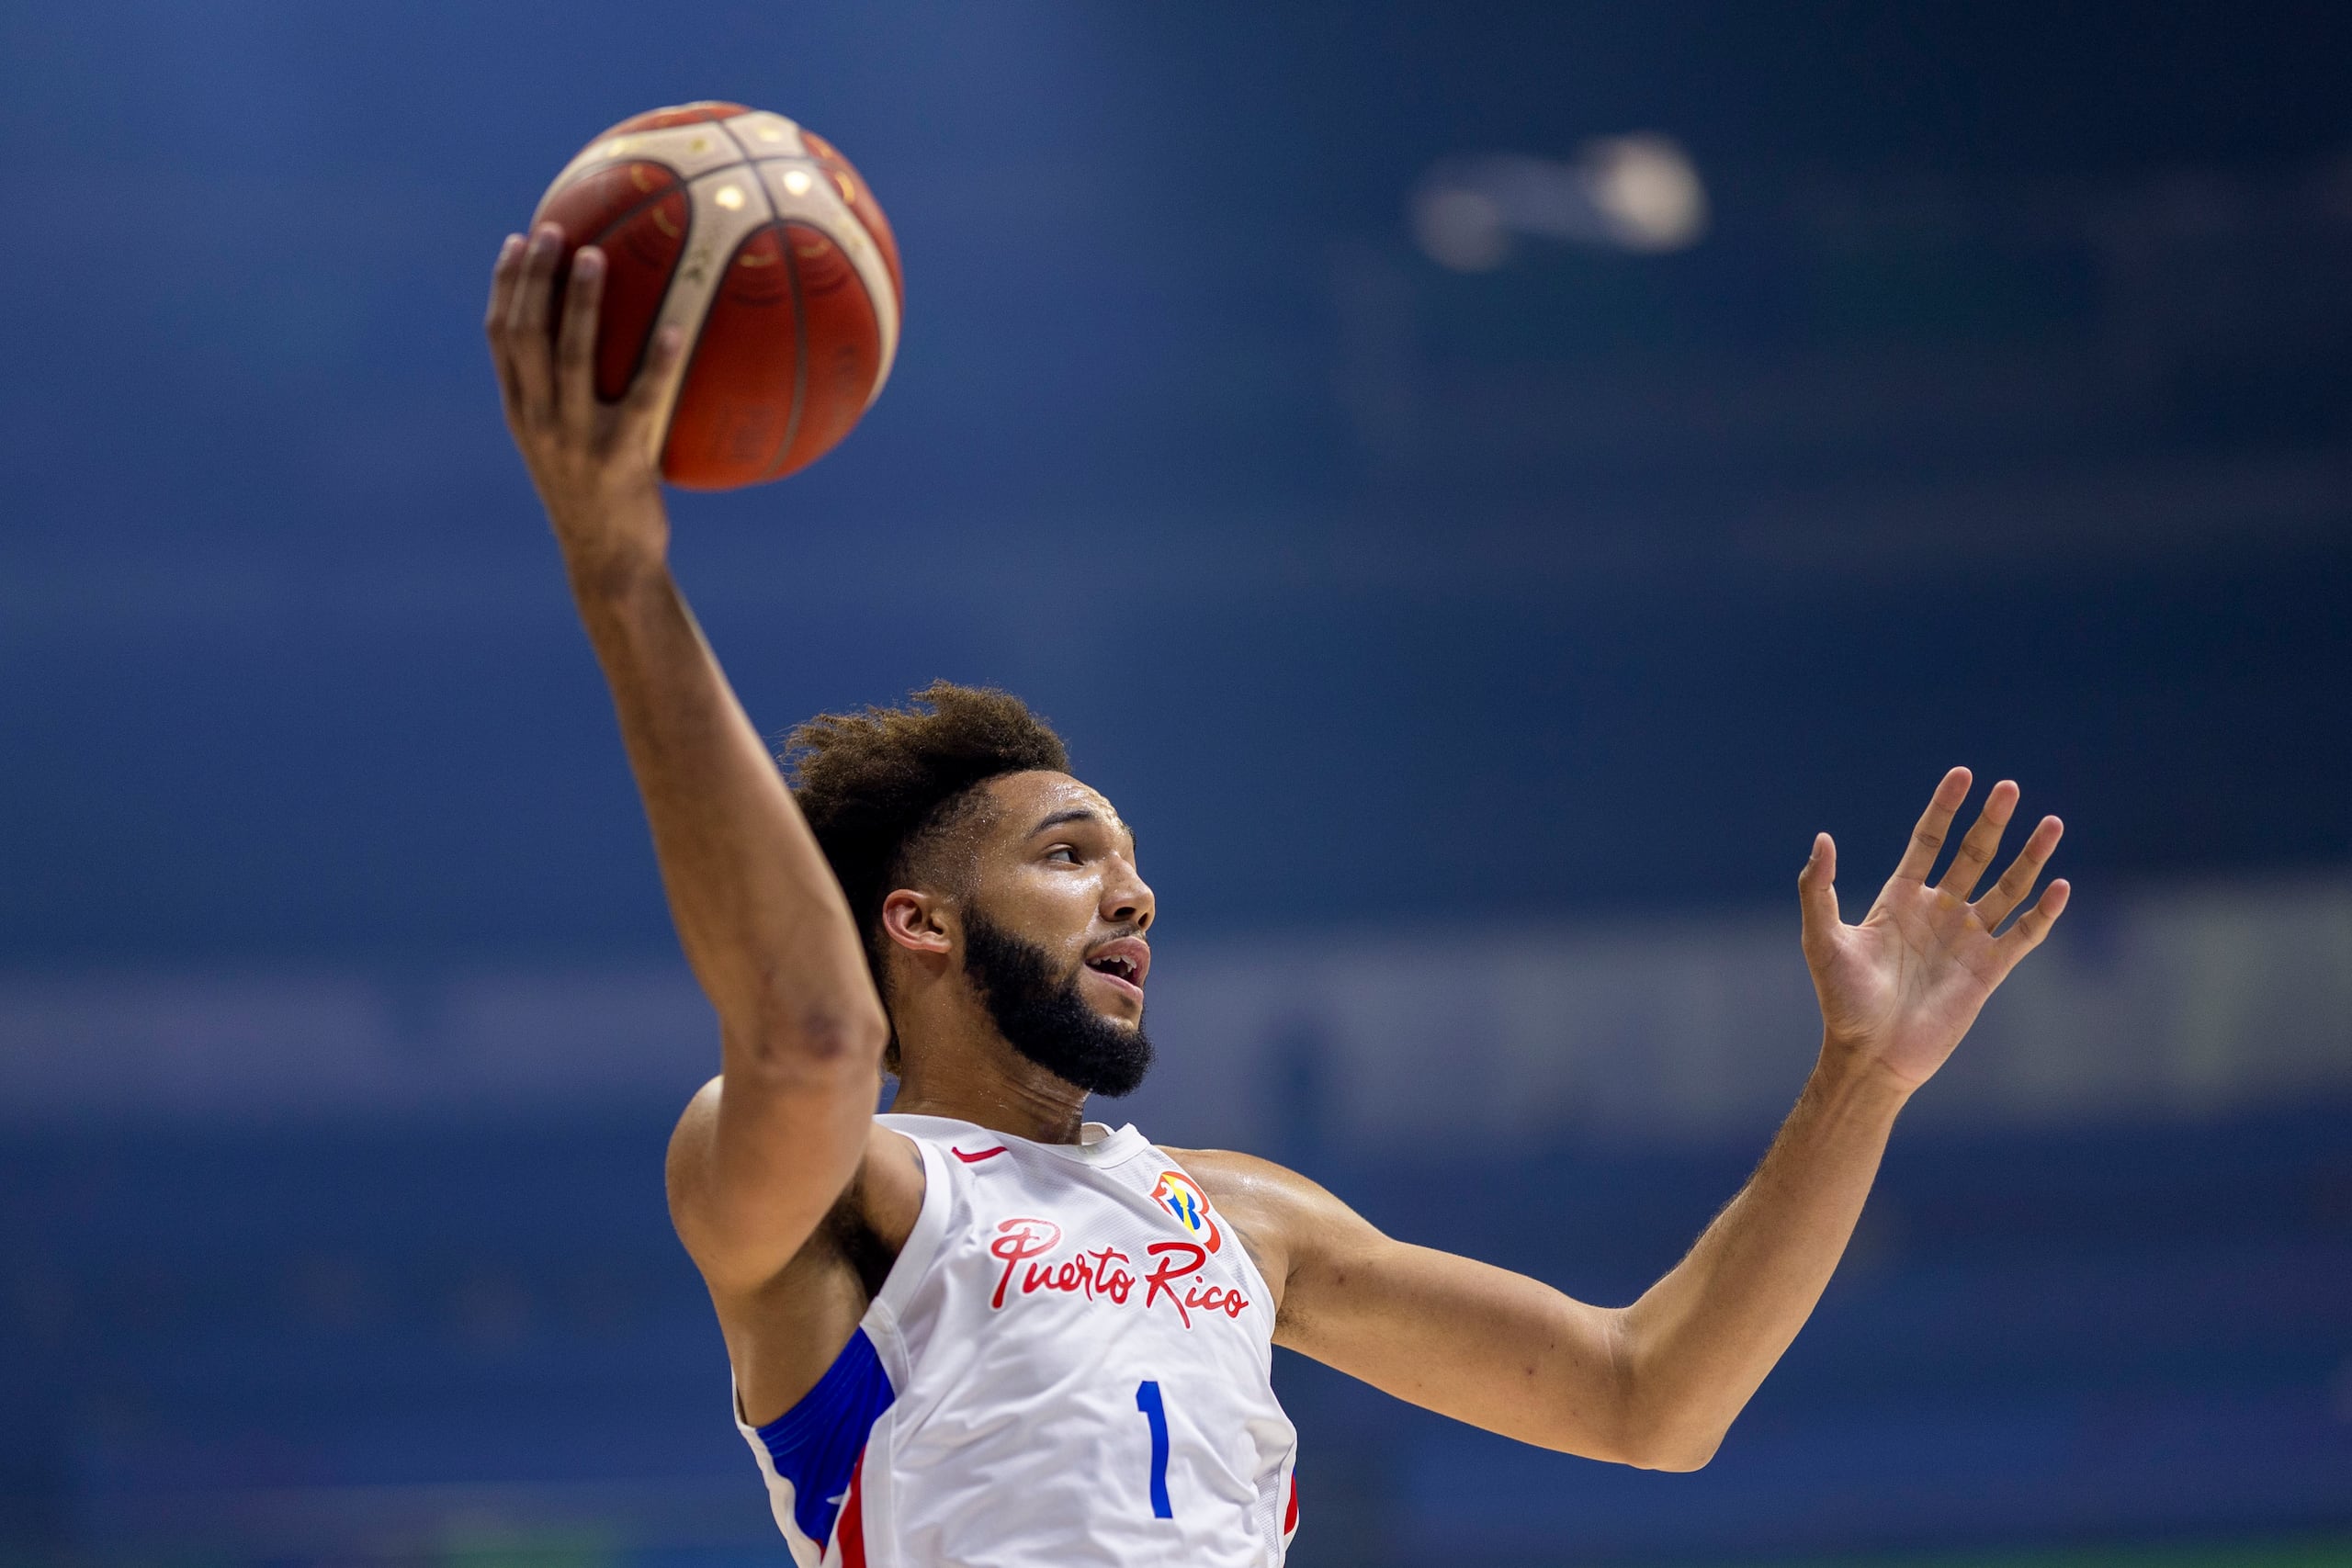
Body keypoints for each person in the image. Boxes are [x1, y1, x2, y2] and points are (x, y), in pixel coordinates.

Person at [484, 223, 2073, 1568]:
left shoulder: (1248, 1216)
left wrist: (1862, 1081)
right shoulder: (847, 1187)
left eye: (1132, 862)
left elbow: (1652, 1397)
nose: (1136, 897)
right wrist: (623, 573)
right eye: (1067, 856)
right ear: (919, 925)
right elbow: (810, 1042)